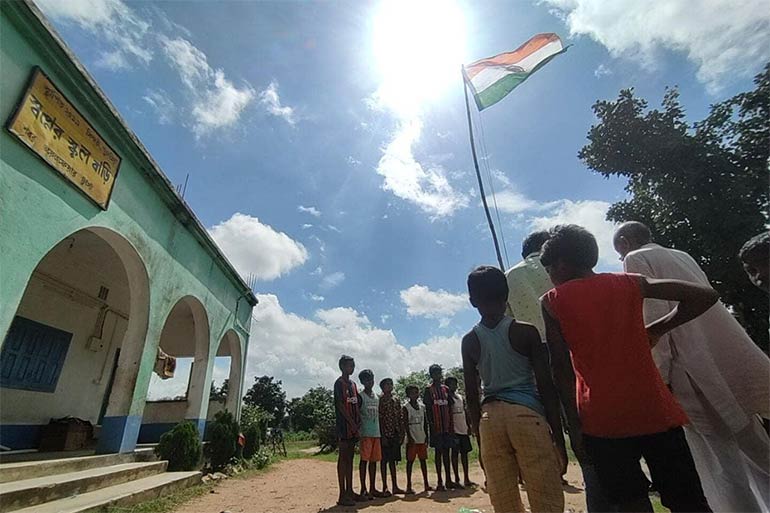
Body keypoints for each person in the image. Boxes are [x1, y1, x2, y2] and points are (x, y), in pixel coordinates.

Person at [542, 224, 718, 512]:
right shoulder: (630, 283)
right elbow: (705, 295)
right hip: (655, 410)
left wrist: (575, 428)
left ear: (561, 264)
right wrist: (657, 328)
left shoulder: (553, 302)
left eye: (548, 269)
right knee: (688, 500)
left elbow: (560, 369)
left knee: (629, 503)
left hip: (602, 420)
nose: (550, 276)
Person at [613, 221, 770, 512]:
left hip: (691, 369)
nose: (620, 257)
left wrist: (660, 376)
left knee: (721, 462)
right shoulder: (682, 255)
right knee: (757, 447)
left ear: (624, 242)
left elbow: (654, 321)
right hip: (723, 358)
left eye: (618, 251)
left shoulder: (635, 259)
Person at [508, 231, 615, 511]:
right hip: (575, 351)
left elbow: (510, 326)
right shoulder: (562, 265)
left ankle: (551, 493)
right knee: (588, 427)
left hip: (535, 362)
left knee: (547, 433)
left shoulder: (510, 276)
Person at [462, 266, 567, 513]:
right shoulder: (526, 331)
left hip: (489, 420)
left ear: (472, 301)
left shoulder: (470, 341)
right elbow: (546, 386)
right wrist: (558, 438)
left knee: (504, 501)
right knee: (546, 497)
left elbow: (471, 395)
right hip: (526, 415)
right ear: (507, 294)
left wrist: (480, 441)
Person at [505, 230, 553, 335]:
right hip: (570, 339)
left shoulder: (508, 276)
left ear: (523, 254)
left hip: (532, 342)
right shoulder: (559, 267)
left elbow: (506, 319)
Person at [423, 364, 456, 491]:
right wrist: (431, 425)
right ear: (431, 375)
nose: (438, 375)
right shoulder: (428, 390)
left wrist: (451, 424)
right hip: (436, 427)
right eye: (435, 373)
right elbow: (428, 409)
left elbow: (450, 406)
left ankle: (448, 480)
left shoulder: (445, 389)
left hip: (446, 427)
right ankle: (439, 481)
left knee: (447, 452)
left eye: (439, 373)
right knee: (438, 453)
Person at [334, 355, 361, 507]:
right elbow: (340, 405)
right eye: (349, 365)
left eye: (353, 365)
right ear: (342, 367)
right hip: (344, 427)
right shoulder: (339, 383)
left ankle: (350, 491)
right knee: (343, 459)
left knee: (350, 459)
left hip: (354, 428)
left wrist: (357, 422)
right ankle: (342, 494)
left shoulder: (353, 384)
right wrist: (351, 422)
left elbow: (356, 405)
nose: (352, 368)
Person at [445, 376, 475, 488]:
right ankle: (456, 479)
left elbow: (465, 411)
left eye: (455, 384)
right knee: (455, 454)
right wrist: (451, 430)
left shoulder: (460, 397)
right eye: (451, 384)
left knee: (465, 453)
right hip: (454, 430)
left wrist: (469, 426)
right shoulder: (447, 399)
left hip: (463, 428)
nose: (454, 386)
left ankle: (467, 478)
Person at [357, 369, 382, 500]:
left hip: (376, 433)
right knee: (364, 461)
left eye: (371, 379)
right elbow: (357, 415)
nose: (370, 382)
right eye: (366, 380)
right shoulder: (360, 397)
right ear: (362, 382)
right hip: (365, 433)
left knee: (373, 462)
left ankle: (372, 488)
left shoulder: (376, 397)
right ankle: (363, 488)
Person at [378, 377, 405, 496]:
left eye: (391, 384)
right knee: (384, 461)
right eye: (387, 384)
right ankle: (385, 487)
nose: (389, 386)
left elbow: (400, 417)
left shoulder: (396, 399)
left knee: (393, 461)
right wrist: (382, 435)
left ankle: (395, 486)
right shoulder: (381, 400)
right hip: (386, 434)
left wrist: (402, 433)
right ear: (382, 387)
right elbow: (380, 418)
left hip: (395, 433)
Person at [403, 384, 431, 494]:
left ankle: (426, 484)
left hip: (421, 437)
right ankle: (408, 485)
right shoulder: (406, 407)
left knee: (423, 461)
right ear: (408, 395)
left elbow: (425, 423)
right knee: (410, 462)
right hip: (412, 438)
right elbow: (405, 424)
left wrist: (426, 436)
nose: (415, 395)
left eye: (416, 392)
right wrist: (409, 437)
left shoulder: (422, 407)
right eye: (412, 393)